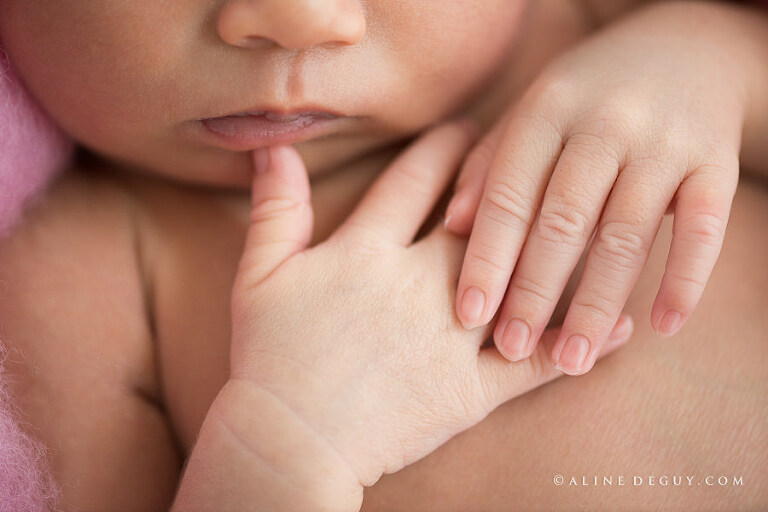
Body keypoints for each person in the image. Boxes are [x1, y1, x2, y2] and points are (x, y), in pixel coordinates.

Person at [0, 0, 765, 510]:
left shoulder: (602, 26)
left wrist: (712, 55)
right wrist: (280, 445)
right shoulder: (86, 267)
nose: (296, 17)